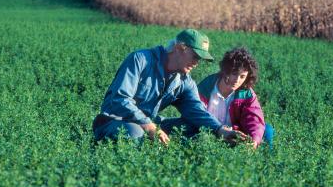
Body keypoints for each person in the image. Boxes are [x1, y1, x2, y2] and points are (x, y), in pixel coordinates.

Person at [92, 28, 246, 145]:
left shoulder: (185, 81)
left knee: (197, 127)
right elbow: (119, 99)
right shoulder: (140, 60)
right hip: (113, 121)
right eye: (195, 56)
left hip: (150, 124)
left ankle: (168, 151)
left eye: (200, 59)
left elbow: (196, 111)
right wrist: (148, 125)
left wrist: (220, 129)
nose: (197, 63)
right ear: (179, 48)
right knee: (135, 132)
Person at [197, 47, 274, 149]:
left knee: (267, 130)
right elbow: (197, 113)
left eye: (242, 76)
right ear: (225, 70)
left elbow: (254, 119)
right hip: (208, 131)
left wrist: (254, 142)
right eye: (234, 73)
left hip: (234, 135)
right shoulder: (206, 87)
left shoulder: (247, 93)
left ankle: (267, 161)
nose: (237, 80)